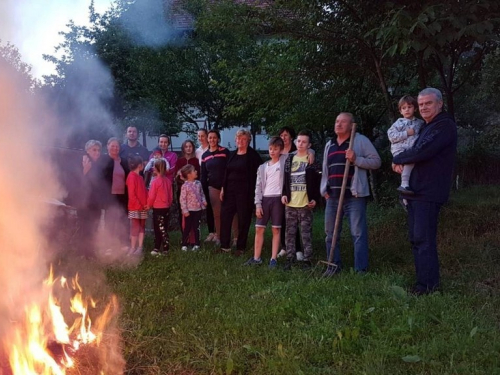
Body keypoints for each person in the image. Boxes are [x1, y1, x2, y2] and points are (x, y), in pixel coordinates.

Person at [392, 88, 457, 296]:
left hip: (429, 192)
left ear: (440, 104)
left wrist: (397, 159)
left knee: (423, 239)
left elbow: (423, 151)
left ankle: (427, 286)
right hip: (416, 193)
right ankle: (423, 282)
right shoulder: (427, 127)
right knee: (416, 239)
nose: (423, 108)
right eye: (420, 104)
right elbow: (410, 148)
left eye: (428, 103)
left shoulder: (443, 125)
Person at [320, 113, 381, 275]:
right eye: (337, 121)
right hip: (332, 197)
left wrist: (356, 159)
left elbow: (376, 162)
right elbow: (326, 170)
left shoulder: (359, 141)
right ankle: (333, 266)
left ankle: (361, 270)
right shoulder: (329, 145)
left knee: (358, 233)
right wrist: (324, 190)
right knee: (330, 234)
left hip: (354, 197)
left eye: (343, 122)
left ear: (351, 125)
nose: (338, 124)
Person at [281, 130, 320, 270]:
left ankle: (307, 259)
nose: (300, 144)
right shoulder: (289, 159)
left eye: (304, 142)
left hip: (305, 203)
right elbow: (284, 179)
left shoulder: (312, 160)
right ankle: (290, 258)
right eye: (298, 141)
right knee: (289, 233)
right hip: (290, 203)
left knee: (306, 233)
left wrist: (315, 198)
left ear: (309, 145)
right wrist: (284, 193)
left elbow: (317, 181)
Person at [219, 129, 262, 256]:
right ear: (235, 140)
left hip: (245, 192)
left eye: (243, 139)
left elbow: (259, 175)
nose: (240, 141)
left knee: (244, 219)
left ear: (248, 140)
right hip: (229, 190)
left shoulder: (253, 156)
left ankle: (240, 247)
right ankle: (224, 246)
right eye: (238, 139)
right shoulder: (231, 154)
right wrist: (223, 188)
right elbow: (226, 172)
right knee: (225, 217)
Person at [245, 137, 286, 268]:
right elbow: (258, 187)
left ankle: (273, 259)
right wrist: (258, 204)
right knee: (259, 229)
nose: (272, 151)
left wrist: (312, 152)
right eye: (270, 149)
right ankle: (256, 258)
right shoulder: (263, 167)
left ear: (281, 150)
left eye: (276, 149)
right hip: (265, 200)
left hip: (277, 199)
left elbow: (299, 151)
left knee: (276, 229)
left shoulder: (284, 162)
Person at [387, 96, 424, 195]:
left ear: (415, 108)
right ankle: (404, 184)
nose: (407, 110)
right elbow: (391, 136)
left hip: (412, 149)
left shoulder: (420, 123)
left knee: (411, 166)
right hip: (400, 149)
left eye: (409, 107)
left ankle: (405, 196)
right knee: (409, 162)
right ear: (400, 111)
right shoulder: (399, 123)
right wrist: (406, 133)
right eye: (404, 108)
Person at [200, 129, 230, 245]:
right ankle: (219, 236)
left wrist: (226, 185)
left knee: (229, 213)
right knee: (216, 213)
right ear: (207, 139)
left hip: (226, 186)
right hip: (212, 187)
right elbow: (203, 175)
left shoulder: (225, 152)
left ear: (218, 139)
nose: (212, 140)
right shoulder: (205, 155)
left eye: (214, 137)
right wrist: (203, 191)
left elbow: (229, 169)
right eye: (210, 137)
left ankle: (234, 237)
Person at [78, 140, 105, 257]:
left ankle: (91, 252)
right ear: (87, 151)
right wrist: (85, 170)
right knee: (85, 226)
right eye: (94, 150)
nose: (97, 152)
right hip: (84, 201)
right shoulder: (82, 161)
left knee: (94, 226)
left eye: (98, 150)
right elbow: (76, 181)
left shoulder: (99, 164)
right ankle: (84, 252)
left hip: (96, 201)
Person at [102, 137, 130, 248]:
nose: (115, 148)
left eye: (117, 146)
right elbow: (101, 179)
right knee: (110, 220)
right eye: (112, 146)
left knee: (123, 218)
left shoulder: (124, 161)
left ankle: (123, 243)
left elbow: (128, 178)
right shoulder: (103, 160)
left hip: (122, 195)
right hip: (109, 195)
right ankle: (109, 245)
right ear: (108, 146)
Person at [147, 158, 173, 256]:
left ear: (157, 168)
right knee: (164, 227)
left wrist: (148, 205)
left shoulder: (155, 182)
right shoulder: (168, 181)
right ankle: (165, 247)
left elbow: (151, 196)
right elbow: (171, 195)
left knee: (158, 228)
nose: (153, 168)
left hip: (158, 208)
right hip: (166, 207)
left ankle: (158, 247)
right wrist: (169, 204)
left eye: (154, 166)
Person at [179, 164, 207, 251]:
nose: (196, 171)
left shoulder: (198, 183)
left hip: (198, 209)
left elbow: (201, 194)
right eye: (194, 170)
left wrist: (204, 201)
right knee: (187, 227)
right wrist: (185, 210)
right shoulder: (185, 186)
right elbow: (182, 199)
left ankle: (197, 243)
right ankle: (184, 243)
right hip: (189, 210)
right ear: (189, 174)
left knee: (196, 227)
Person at [195, 129, 216, 242]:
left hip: (213, 181)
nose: (200, 138)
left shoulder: (213, 149)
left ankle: (218, 232)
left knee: (216, 207)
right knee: (208, 207)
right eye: (199, 136)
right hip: (203, 181)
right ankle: (211, 232)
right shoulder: (197, 151)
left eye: (203, 136)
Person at [175, 140, 200, 231]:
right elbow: (177, 175)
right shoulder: (179, 161)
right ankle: (184, 235)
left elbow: (198, 176)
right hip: (182, 190)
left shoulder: (196, 161)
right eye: (186, 147)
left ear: (193, 148)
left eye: (190, 146)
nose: (188, 148)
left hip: (193, 192)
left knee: (194, 213)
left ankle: (194, 236)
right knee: (183, 211)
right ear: (183, 148)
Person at [126, 155, 148, 254]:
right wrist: (139, 205)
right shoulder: (131, 177)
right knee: (135, 228)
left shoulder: (140, 177)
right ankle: (133, 247)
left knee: (142, 227)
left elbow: (145, 192)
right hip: (135, 208)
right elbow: (132, 194)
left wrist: (147, 204)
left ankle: (140, 247)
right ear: (140, 165)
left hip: (143, 207)